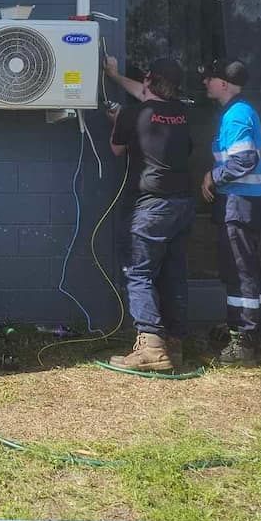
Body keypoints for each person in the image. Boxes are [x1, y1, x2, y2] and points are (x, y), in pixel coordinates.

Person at [102, 56, 195, 373]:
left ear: (148, 79)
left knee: (138, 273)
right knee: (173, 273)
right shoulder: (182, 113)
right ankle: (174, 344)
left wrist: (116, 120)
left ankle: (151, 348)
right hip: (182, 204)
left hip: (150, 206)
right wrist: (115, 76)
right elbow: (150, 101)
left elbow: (117, 149)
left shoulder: (132, 115)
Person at [201, 60, 261, 365]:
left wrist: (212, 178)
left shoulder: (237, 114)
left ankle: (245, 342)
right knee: (238, 272)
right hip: (243, 203)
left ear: (224, 84)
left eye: (210, 79)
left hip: (242, 204)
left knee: (242, 273)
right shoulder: (238, 111)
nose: (205, 82)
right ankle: (241, 333)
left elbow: (243, 160)